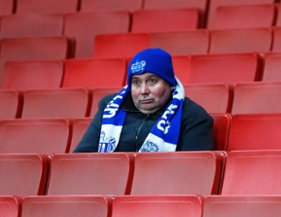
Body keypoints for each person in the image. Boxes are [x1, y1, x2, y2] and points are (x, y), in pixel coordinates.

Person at [73, 48, 214, 152]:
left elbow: (194, 174)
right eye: (136, 82)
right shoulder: (110, 107)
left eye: (152, 81)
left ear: (170, 84)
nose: (143, 90)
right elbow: (82, 160)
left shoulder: (192, 117)